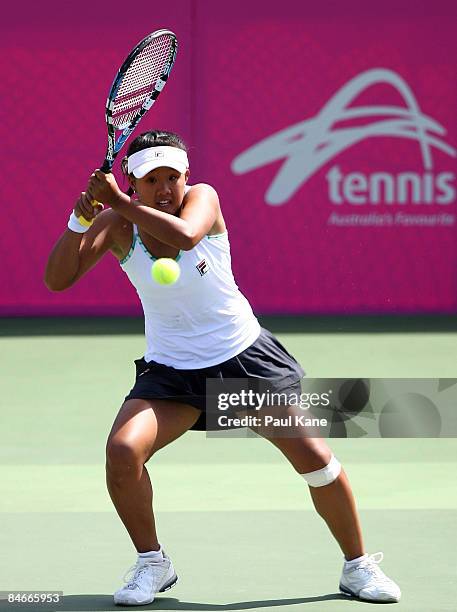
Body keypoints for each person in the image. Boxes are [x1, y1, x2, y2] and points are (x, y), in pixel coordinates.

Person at [44, 130, 401, 606]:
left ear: (187, 177)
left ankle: (358, 567)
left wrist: (118, 203)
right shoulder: (117, 223)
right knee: (122, 452)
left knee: (315, 461)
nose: (166, 188)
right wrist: (79, 218)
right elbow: (57, 279)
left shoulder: (202, 199)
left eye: (173, 177)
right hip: (171, 373)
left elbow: (187, 236)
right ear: (134, 182)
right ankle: (153, 563)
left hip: (242, 364)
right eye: (152, 180)